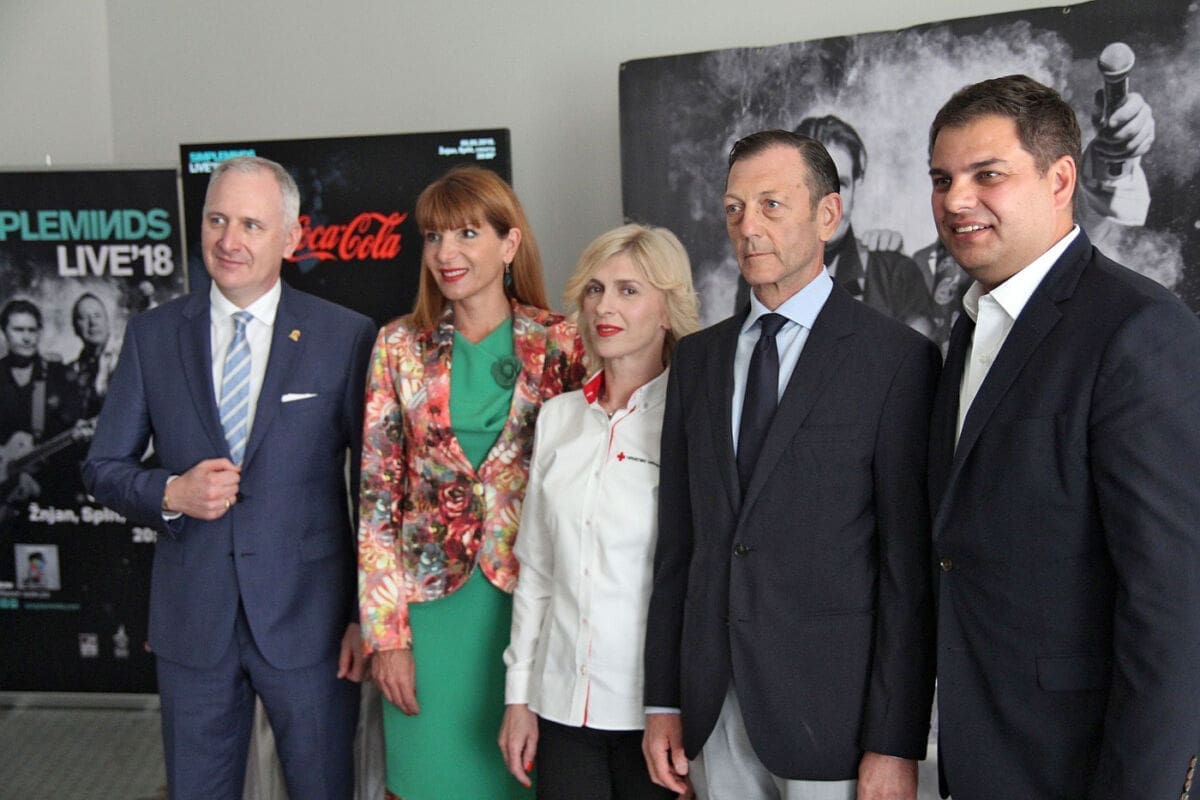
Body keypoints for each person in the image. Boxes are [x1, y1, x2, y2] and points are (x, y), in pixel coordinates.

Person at [642, 130, 940, 800]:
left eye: (771, 205)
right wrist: (663, 699)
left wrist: (895, 740)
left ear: (828, 215)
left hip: (837, 721)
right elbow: (680, 546)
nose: (748, 227)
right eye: (734, 209)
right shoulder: (697, 360)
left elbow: (906, 573)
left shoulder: (897, 361)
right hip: (713, 711)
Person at [926, 74, 1200, 799]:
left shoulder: (1139, 329)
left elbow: (1175, 608)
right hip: (984, 757)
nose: (955, 200)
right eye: (942, 179)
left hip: (1084, 767)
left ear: (1060, 181)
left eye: (987, 175)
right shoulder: (969, 329)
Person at [83, 155, 377, 799]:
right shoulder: (153, 336)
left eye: (250, 224)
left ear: (291, 237)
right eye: (217, 220)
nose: (229, 240)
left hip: (315, 626)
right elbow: (102, 468)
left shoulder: (346, 337)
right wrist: (171, 492)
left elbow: (376, 490)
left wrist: (367, 616)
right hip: (193, 624)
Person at [357, 165, 587, 800]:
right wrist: (386, 638)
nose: (446, 253)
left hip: (533, 609)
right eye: (434, 237)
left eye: (466, 233)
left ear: (509, 244)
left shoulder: (562, 343)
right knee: (429, 783)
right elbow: (377, 502)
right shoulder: (398, 346)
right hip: (428, 619)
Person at [499, 224, 700, 799]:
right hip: (561, 709)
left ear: (667, 311)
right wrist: (519, 697)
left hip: (657, 717)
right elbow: (537, 573)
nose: (604, 306)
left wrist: (682, 705)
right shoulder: (558, 417)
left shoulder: (693, 420)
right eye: (594, 289)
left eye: (628, 290)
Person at [793, 116, 932, 334]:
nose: (827, 206)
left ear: (857, 186)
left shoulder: (896, 274)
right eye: (810, 185)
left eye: (840, 185)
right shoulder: (764, 271)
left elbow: (923, 353)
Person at [0, 299, 78, 508]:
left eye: (32, 330)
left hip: (50, 488)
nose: (27, 338)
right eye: (18, 330)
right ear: (4, 332)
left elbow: (72, 428)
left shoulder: (57, 374)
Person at [64, 292, 118, 419]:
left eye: (97, 316)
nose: (93, 322)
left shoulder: (128, 358)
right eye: (84, 318)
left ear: (107, 322)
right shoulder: (74, 369)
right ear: (75, 328)